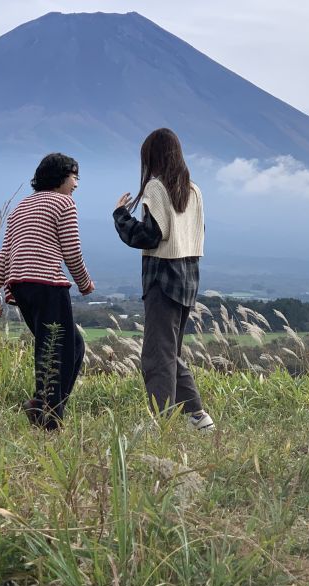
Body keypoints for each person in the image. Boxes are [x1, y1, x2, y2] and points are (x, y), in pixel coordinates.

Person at [112, 128, 215, 431]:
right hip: (188, 277)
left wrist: (121, 215)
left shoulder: (157, 187)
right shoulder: (194, 189)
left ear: (152, 157)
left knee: (156, 355)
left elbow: (150, 236)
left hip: (162, 277)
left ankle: (162, 422)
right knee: (169, 351)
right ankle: (198, 417)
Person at [0, 153, 95, 430]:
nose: (76, 184)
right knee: (54, 350)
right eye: (74, 177)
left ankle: (47, 407)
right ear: (59, 177)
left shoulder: (22, 207)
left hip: (21, 288)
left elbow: (5, 254)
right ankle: (47, 416)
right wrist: (84, 284)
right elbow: (72, 251)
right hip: (48, 285)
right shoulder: (64, 203)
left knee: (70, 346)